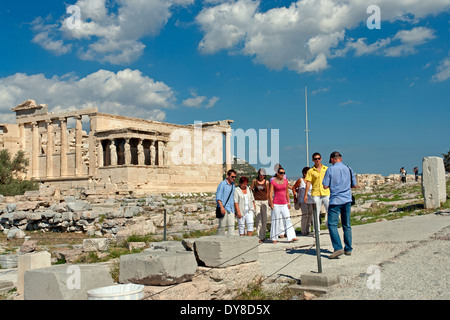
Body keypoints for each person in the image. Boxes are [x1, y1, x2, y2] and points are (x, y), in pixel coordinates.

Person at [322, 151, 358, 259]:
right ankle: (348, 248)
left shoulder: (330, 169)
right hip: (347, 200)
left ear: (332, 159)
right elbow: (355, 185)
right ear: (340, 158)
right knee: (346, 225)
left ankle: (338, 247)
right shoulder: (348, 168)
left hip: (335, 200)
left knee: (332, 225)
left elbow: (324, 186)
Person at [269, 165, 298, 243]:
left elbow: (287, 192)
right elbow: (270, 193)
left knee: (287, 219)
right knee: (275, 220)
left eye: (284, 173)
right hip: (276, 203)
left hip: (284, 203)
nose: (282, 174)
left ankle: (291, 236)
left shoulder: (285, 181)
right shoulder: (273, 182)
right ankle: (274, 238)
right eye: (281, 173)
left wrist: (288, 202)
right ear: (277, 173)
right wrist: (271, 202)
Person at [304, 153, 330, 229]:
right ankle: (316, 231)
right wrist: (305, 194)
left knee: (330, 211)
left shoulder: (326, 169)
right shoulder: (311, 171)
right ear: (313, 160)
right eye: (315, 159)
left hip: (326, 192)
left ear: (321, 159)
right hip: (315, 193)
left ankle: (330, 227)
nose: (317, 160)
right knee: (316, 213)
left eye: (318, 158)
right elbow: (308, 183)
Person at [293, 167, 315, 236]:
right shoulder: (300, 180)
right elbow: (294, 187)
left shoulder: (311, 180)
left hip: (310, 200)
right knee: (305, 214)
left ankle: (308, 229)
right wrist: (295, 197)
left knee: (310, 214)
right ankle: (303, 230)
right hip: (303, 200)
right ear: (304, 173)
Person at [251, 168, 270, 243]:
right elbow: (251, 190)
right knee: (258, 219)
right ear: (258, 174)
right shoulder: (254, 181)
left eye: (263, 175)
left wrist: (268, 201)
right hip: (257, 201)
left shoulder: (267, 182)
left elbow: (268, 192)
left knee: (264, 219)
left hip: (265, 201)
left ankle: (263, 236)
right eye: (260, 174)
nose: (262, 176)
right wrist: (252, 201)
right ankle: (259, 237)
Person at [216, 169, 236, 236]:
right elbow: (218, 197)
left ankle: (230, 242)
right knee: (222, 227)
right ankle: (218, 241)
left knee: (231, 226)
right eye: (232, 177)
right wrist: (221, 208)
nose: (234, 178)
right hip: (224, 208)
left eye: (235, 177)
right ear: (228, 176)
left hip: (231, 208)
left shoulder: (233, 185)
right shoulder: (222, 184)